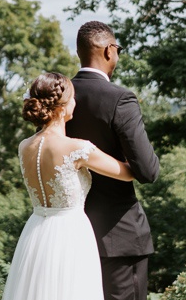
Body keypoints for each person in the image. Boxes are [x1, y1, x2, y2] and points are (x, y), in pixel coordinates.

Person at [2, 72, 134, 300]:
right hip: (70, 233)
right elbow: (126, 173)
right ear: (61, 107)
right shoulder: (77, 148)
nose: (76, 102)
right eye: (73, 98)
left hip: (35, 232)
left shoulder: (24, 147)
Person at [66, 21, 160, 300]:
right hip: (119, 236)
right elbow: (148, 171)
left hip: (69, 232)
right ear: (109, 50)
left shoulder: (58, 97)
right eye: (118, 49)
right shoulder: (120, 98)